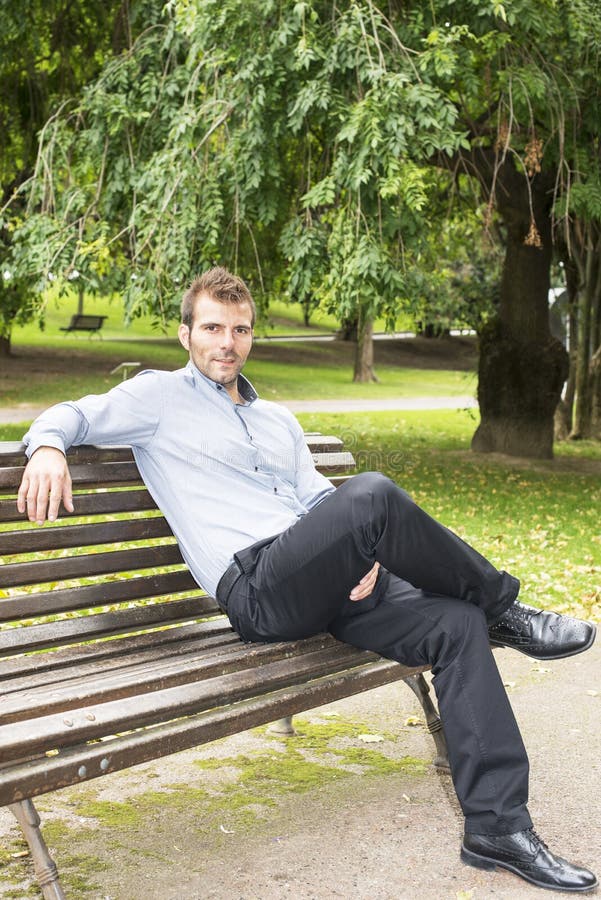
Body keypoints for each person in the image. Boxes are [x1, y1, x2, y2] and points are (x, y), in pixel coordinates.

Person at [17, 267, 597, 893]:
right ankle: (505, 611)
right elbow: (71, 414)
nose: (226, 343)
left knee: (456, 625)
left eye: (240, 330)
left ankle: (498, 827)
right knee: (373, 493)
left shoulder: (278, 422)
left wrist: (365, 555)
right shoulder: (156, 396)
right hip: (260, 590)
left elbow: (322, 504)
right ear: (185, 334)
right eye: (212, 328)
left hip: (328, 584)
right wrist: (47, 448)